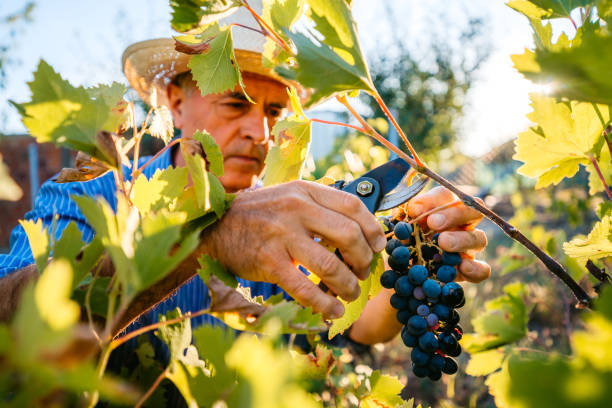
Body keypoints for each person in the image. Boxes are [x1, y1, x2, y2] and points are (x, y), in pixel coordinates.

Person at [0, 3, 490, 346]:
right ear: (174, 100)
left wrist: (413, 260)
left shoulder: (281, 218)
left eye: (275, 112)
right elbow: (10, 321)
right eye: (236, 102)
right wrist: (206, 240)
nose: (260, 131)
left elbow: (361, 327)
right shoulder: (94, 193)